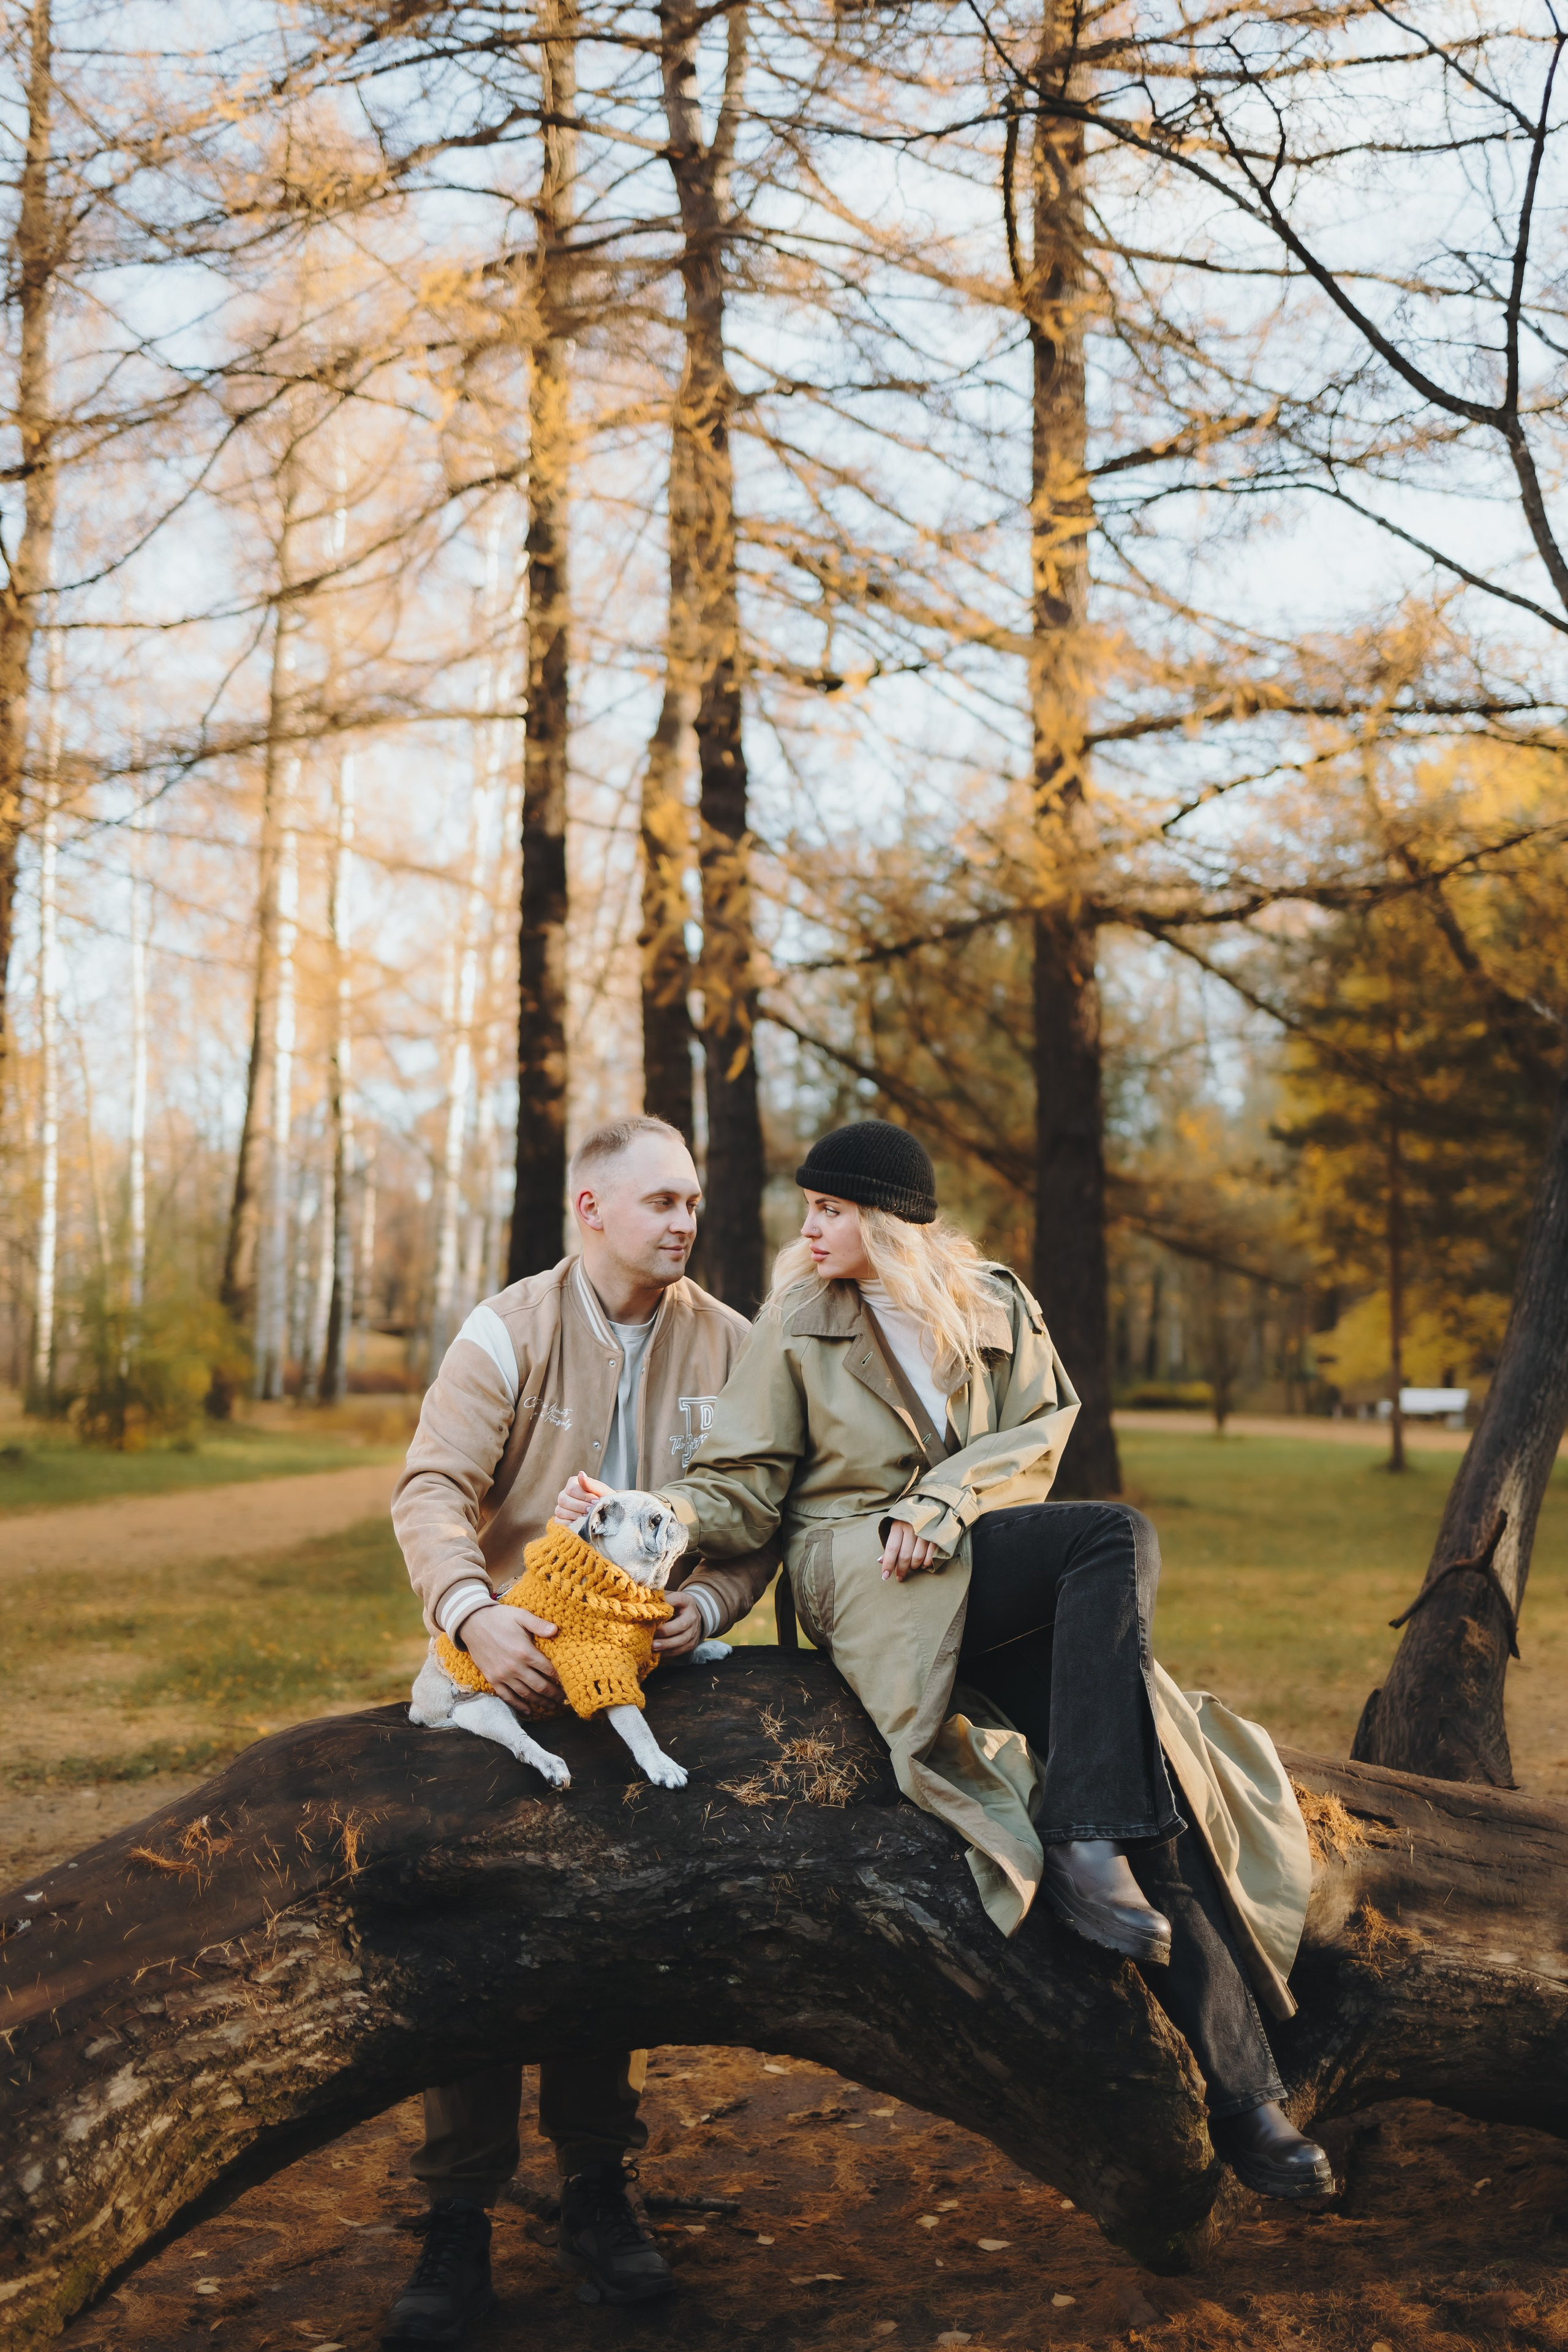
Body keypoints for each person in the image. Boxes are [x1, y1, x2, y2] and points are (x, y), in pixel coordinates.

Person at [560, 1118, 1330, 2209]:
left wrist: (945, 1500)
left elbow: (1043, 1432)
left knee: (1143, 1778)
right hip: (862, 1575)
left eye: (831, 1209)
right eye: (809, 1207)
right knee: (1112, 1542)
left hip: (973, 1560)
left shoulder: (995, 1305)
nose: (810, 1227)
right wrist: (656, 1512)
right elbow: (742, 1484)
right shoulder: (796, 1318)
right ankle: (1086, 1842)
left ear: (886, 1218)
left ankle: (1248, 2102)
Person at [385, 1116, 775, 2346]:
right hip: (497, 1670)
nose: (684, 1220)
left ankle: (598, 2188)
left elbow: (764, 1520)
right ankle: (457, 2214)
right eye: (659, 1200)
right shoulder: (509, 1329)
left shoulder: (735, 1347)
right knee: (475, 1919)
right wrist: (472, 1613)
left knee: (614, 1927)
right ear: (591, 1210)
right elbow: (431, 1490)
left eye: (693, 1202)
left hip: (645, 1685)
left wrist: (706, 1605)